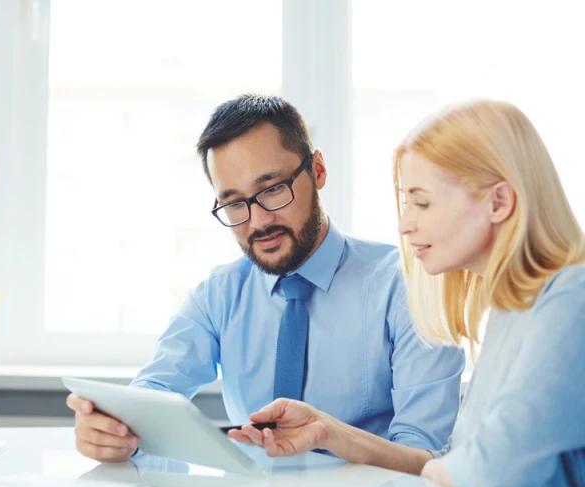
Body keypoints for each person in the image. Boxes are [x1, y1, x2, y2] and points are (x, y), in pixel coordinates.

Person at [67, 94, 464, 463]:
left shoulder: (410, 287)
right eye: (234, 203)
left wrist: (330, 435)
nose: (258, 221)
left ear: (319, 170)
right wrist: (117, 432)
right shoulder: (218, 295)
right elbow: (155, 395)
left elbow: (423, 453)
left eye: (272, 190)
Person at [228, 99, 585, 487]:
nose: (404, 224)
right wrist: (329, 431)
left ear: (498, 202)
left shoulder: (571, 301)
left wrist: (447, 468)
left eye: (423, 202)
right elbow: (453, 464)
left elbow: (485, 470)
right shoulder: (515, 308)